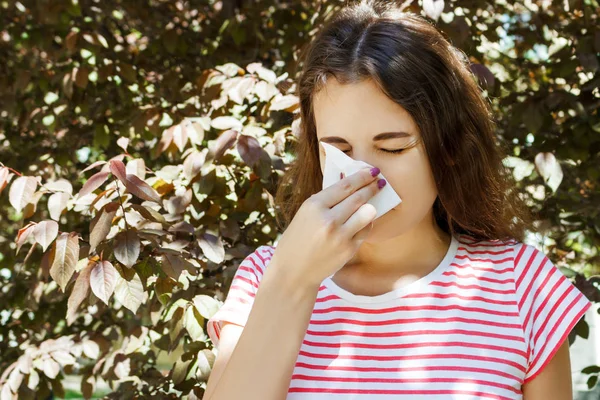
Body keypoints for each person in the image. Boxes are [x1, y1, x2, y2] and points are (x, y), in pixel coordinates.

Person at [203, 1, 592, 399]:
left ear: (450, 147)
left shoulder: (521, 283)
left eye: (393, 148)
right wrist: (292, 281)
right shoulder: (263, 278)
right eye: (336, 148)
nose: (362, 178)